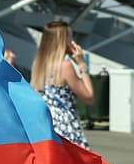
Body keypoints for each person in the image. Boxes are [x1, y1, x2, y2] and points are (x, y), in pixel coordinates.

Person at [29, 20, 93, 149]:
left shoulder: (39, 65)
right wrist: (82, 65)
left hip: (45, 124)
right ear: (63, 41)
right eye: (70, 37)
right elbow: (89, 96)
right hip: (65, 125)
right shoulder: (65, 66)